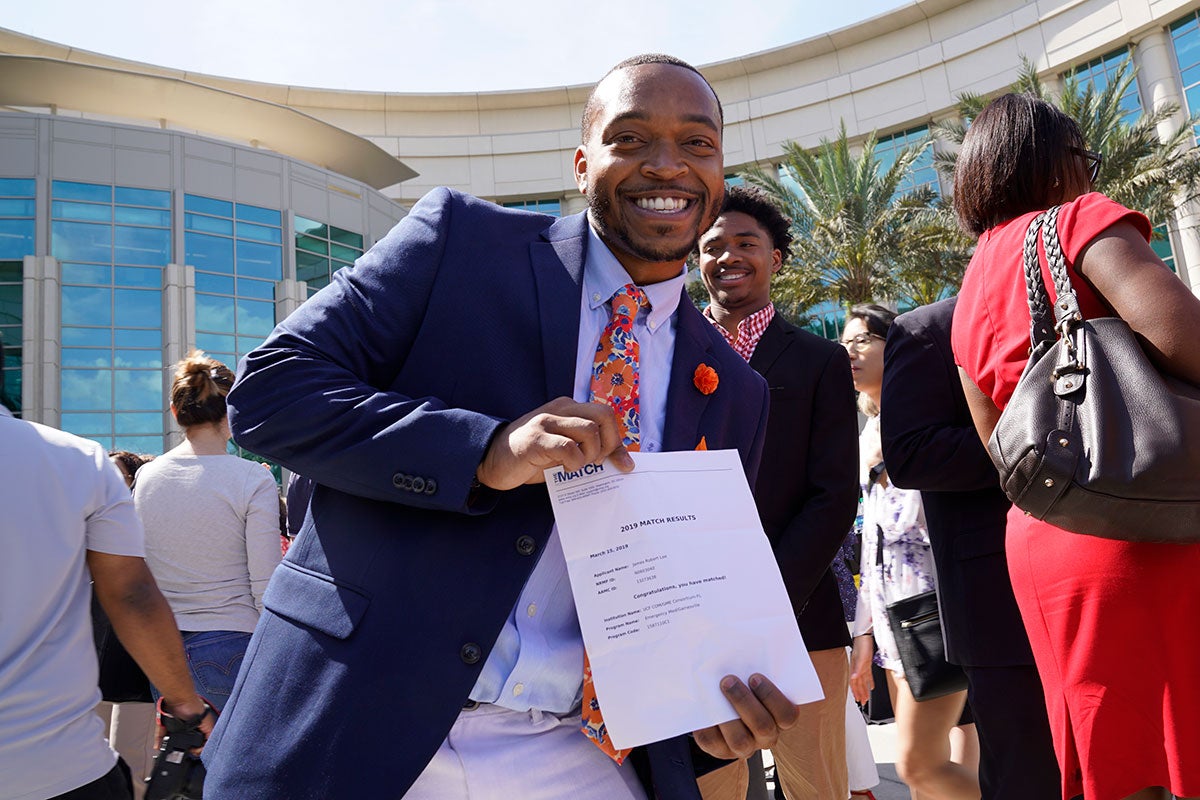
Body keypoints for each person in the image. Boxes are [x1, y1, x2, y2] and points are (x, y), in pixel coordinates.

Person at [202, 54, 800, 800]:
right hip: (359, 729)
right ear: (584, 165)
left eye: (697, 144)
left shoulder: (738, 390)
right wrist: (484, 451)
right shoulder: (458, 242)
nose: (666, 165)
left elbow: (685, 603)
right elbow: (268, 391)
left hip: (582, 758)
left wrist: (708, 723)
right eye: (632, 138)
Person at [951, 92, 1200, 800]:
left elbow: (994, 438)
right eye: (1084, 157)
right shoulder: (1079, 221)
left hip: (1049, 532)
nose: (1090, 172)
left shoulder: (970, 284)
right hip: (1150, 515)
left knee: (1115, 759)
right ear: (1056, 163)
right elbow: (1183, 337)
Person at [695, 184, 859, 800]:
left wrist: (766, 597)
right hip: (691, 616)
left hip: (799, 611)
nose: (729, 256)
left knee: (816, 783)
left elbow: (834, 493)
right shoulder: (670, 348)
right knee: (708, 786)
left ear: (776, 258)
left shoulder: (818, 360)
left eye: (747, 243)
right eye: (714, 246)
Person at [0, 338, 214, 800]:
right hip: (53, 766)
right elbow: (131, 595)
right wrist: (186, 706)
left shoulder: (135, 475)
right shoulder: (76, 462)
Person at [879, 297, 1060, 799]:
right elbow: (912, 455)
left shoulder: (1095, 303)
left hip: (1118, 583)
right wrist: (1044, 439)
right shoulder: (928, 330)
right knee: (1028, 775)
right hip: (998, 608)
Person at [844, 304, 981, 800]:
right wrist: (863, 633)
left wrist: (892, 462)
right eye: (845, 342)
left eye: (863, 340)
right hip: (893, 619)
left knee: (918, 765)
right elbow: (872, 543)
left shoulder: (915, 423)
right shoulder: (867, 433)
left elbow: (915, 522)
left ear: (894, 347)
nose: (850, 351)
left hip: (935, 607)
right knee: (943, 767)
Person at [133, 351, 281, 713]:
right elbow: (266, 585)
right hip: (233, 641)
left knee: (187, 765)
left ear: (175, 412)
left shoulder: (146, 476)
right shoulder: (253, 478)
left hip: (164, 651)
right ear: (233, 411)